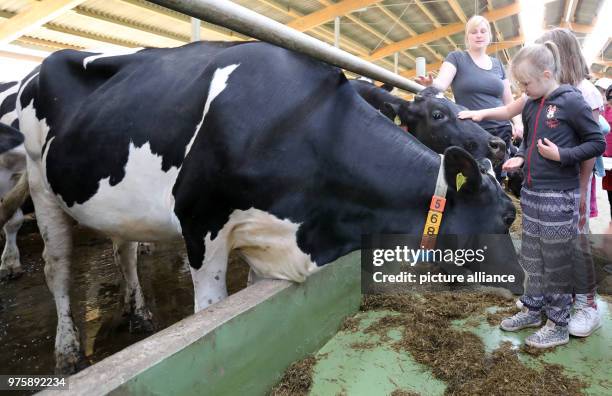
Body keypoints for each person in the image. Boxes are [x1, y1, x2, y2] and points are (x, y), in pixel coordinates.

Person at [459, 41, 605, 348]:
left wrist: (562, 155)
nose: (523, 89)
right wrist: (522, 157)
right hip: (532, 193)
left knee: (556, 262)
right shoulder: (531, 104)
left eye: (526, 83)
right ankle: (533, 308)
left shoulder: (572, 102)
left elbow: (596, 143)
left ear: (547, 74)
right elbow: (529, 141)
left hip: (557, 196)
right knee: (533, 256)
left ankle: (559, 323)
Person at [416, 15, 523, 181]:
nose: (479, 35)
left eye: (483, 31)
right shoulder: (457, 58)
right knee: (471, 181)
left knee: (495, 182)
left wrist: (518, 123)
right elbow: (441, 84)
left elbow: (509, 101)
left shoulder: (498, 65)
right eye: (474, 32)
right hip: (471, 132)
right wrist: (431, 83)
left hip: (501, 132)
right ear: (467, 37)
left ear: (489, 36)